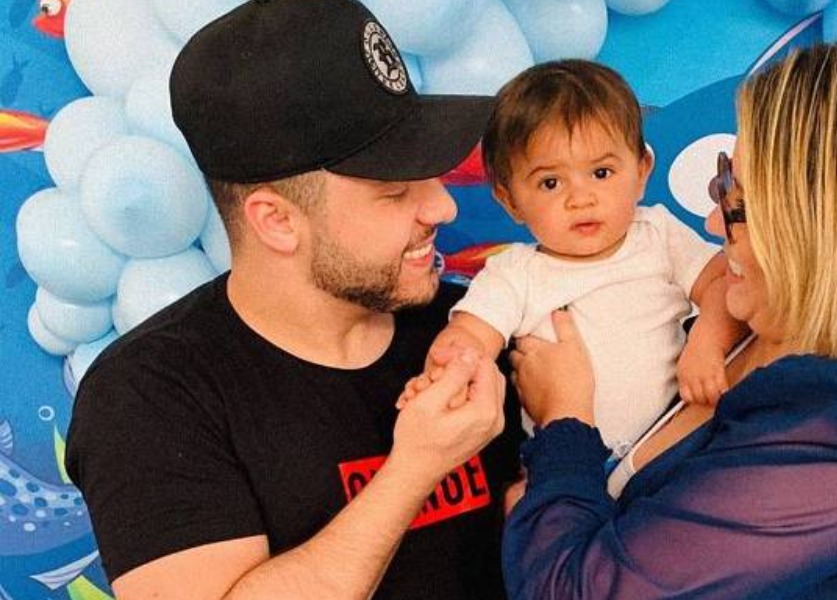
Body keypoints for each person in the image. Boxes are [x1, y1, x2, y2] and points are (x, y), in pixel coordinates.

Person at [501, 38, 837, 599]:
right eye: (725, 185)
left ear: (826, 228)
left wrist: (563, 425)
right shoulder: (752, 342)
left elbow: (572, 592)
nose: (713, 224)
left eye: (738, 204)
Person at [64, 1, 523, 598]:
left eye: (431, 176)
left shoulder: (470, 329)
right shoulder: (150, 395)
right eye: (393, 192)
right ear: (277, 222)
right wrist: (411, 471)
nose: (443, 207)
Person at [405, 60, 744, 469]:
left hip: (666, 452)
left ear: (641, 172)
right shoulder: (514, 273)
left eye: (601, 172)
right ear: (509, 199)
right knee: (520, 509)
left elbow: (723, 284)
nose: (580, 198)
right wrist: (446, 369)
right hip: (563, 464)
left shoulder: (657, 234)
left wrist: (707, 344)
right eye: (550, 182)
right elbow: (473, 334)